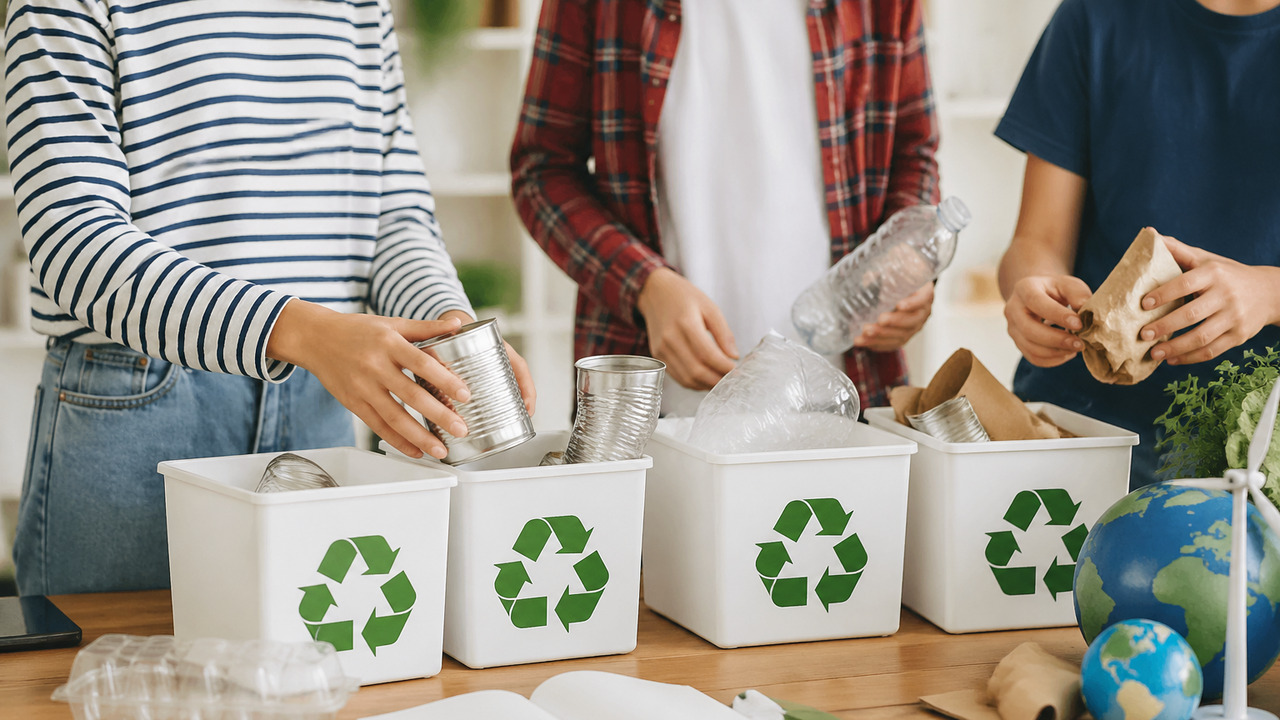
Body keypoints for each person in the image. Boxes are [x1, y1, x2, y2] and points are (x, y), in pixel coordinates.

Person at [5, 0, 534, 595]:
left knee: (317, 677)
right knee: (118, 677)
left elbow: (393, 213)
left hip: (322, 400)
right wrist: (302, 333)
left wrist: (444, 328)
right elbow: (73, 240)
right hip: (140, 416)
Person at [510, 0, 940, 415]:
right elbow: (542, 169)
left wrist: (910, 264)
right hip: (651, 408)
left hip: (851, 392)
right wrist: (645, 286)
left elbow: (914, 150)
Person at [997, 0, 1280, 488]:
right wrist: (1032, 291)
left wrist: (1269, 293)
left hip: (1260, 455)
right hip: (1083, 433)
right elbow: (1035, 240)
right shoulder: (1095, 16)